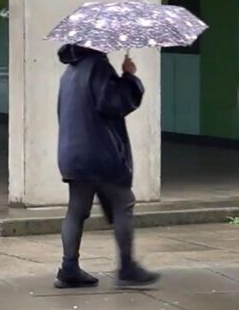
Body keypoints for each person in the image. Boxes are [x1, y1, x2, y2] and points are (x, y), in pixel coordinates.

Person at [55, 44, 160, 289]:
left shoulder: (69, 72)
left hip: (73, 152)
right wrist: (130, 78)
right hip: (99, 151)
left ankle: (68, 267)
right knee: (124, 202)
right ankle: (127, 267)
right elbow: (114, 104)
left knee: (77, 209)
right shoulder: (98, 68)